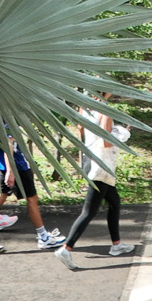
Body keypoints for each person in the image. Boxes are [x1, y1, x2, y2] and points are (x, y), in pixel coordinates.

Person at [56, 110, 137, 269]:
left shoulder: (85, 108)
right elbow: (107, 142)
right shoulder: (105, 110)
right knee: (89, 212)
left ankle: (117, 244)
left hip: (90, 160)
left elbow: (81, 128)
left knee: (114, 202)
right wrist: (124, 133)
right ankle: (66, 249)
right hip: (101, 167)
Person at [0, 135, 65, 257]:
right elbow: (9, 143)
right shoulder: (9, 118)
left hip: (4, 164)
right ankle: (43, 238)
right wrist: (11, 170)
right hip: (17, 166)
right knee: (31, 199)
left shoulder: (0, 119)